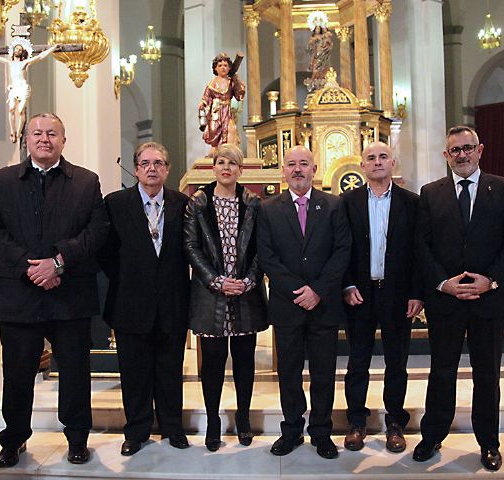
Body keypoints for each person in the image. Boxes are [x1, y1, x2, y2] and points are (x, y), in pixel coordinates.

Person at [0, 112, 109, 468]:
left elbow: (97, 231)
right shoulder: (3, 180)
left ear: (63, 141)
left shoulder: (86, 181)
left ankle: (78, 438)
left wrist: (59, 262)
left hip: (70, 293)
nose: (44, 138)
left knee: (75, 371)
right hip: (20, 294)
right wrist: (30, 267)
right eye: (37, 133)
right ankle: (14, 438)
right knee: (18, 372)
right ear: (27, 140)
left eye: (52, 133)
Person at [412, 126, 504, 471]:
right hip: (446, 300)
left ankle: (489, 443)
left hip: (488, 300)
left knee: (488, 373)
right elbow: (422, 245)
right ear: (446, 156)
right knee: (441, 371)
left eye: (467, 148)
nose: (461, 155)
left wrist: (489, 280)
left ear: (480, 150)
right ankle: (432, 436)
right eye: (454, 151)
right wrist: (443, 283)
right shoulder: (431, 193)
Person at [257, 145, 351, 459]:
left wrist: (318, 291)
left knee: (324, 373)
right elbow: (267, 257)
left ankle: (322, 433)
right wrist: (298, 290)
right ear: (283, 170)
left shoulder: (334, 205)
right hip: (287, 306)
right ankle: (292, 431)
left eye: (304, 164)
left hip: (323, 307)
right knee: (289, 373)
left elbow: (342, 251)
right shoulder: (268, 209)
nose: (297, 169)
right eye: (291, 164)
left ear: (314, 168)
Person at [99, 142, 190, 456]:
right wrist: (131, 280)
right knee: (134, 373)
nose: (152, 168)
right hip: (129, 302)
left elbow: (188, 253)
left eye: (159, 163)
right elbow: (106, 253)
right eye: (146, 163)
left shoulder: (183, 204)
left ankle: (172, 428)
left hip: (172, 303)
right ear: (136, 168)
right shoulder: (115, 203)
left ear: (167, 169)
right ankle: (136, 432)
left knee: (169, 369)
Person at [184, 143, 268, 452]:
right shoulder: (199, 203)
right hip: (211, 296)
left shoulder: (253, 203)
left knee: (245, 363)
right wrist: (216, 280)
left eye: (232, 163)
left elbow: (262, 248)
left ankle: (243, 419)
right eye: (221, 162)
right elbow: (191, 246)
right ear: (213, 167)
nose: (226, 168)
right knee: (213, 364)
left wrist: (248, 280)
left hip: (246, 295)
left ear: (240, 169)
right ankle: (213, 422)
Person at [341, 142, 423, 454]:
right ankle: (356, 422)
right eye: (371, 158)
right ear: (362, 165)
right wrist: (346, 286)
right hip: (358, 294)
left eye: (383, 157)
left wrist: (417, 292)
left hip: (398, 294)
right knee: (357, 361)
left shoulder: (412, 203)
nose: (377, 162)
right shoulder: (347, 203)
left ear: (393, 163)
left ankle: (395, 423)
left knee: (396, 362)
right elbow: (341, 249)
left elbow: (419, 251)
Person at [0, 38, 59, 143]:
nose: (17, 51)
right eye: (16, 49)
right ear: (13, 51)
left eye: (19, 49)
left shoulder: (25, 63)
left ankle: (19, 133)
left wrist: (52, 48)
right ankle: (12, 132)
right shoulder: (10, 63)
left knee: (20, 110)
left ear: (22, 52)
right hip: (14, 88)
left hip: (23, 88)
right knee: (11, 109)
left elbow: (40, 56)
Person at [198, 53, 246, 156]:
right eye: (220, 65)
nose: (223, 68)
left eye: (225, 65)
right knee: (214, 130)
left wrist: (235, 78)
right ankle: (215, 149)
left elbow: (239, 95)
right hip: (215, 112)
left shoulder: (231, 82)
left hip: (227, 111)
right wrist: (203, 103)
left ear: (229, 68)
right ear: (215, 68)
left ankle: (229, 151)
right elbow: (207, 96)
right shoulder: (212, 84)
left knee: (230, 129)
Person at [304, 25, 334, 92]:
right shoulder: (313, 37)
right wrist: (312, 42)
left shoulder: (324, 36)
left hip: (323, 54)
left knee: (323, 67)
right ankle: (314, 78)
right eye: (316, 29)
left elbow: (329, 44)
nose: (317, 30)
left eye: (318, 29)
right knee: (315, 67)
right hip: (316, 53)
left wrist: (325, 40)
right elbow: (309, 47)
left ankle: (321, 78)